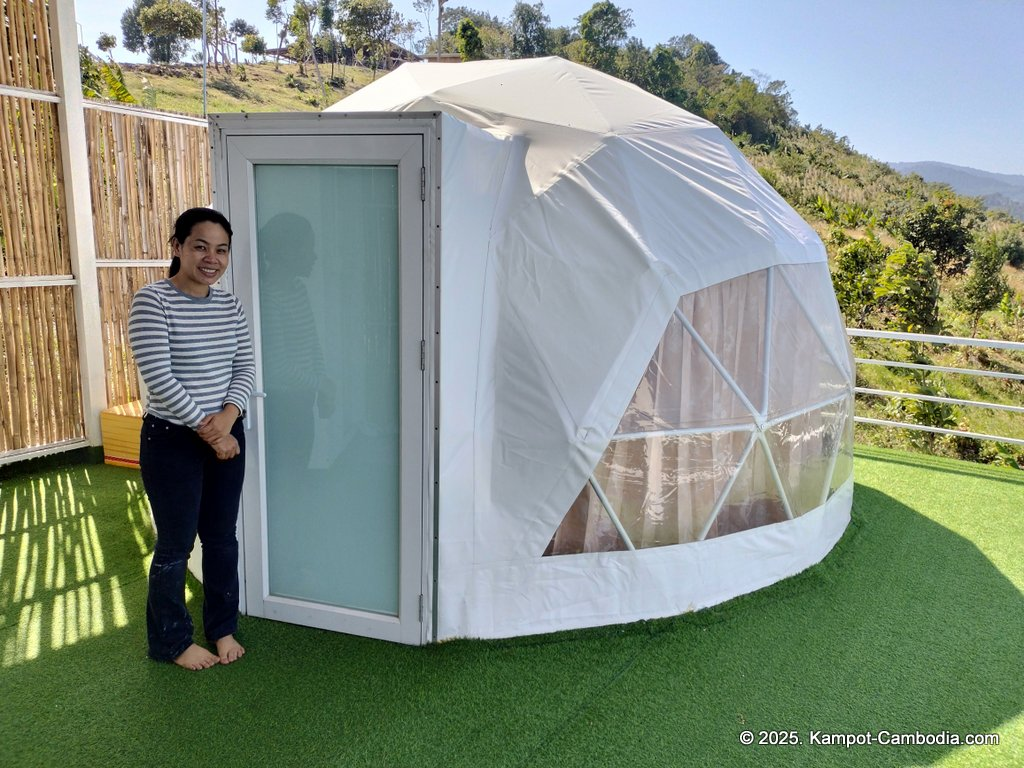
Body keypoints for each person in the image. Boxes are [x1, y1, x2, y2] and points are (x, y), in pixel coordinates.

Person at [128, 207, 256, 670]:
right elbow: (159, 379)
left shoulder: (231, 304)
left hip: (227, 432)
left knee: (222, 538)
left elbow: (245, 368)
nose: (211, 258)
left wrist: (228, 418)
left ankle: (222, 627)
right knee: (176, 544)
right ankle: (172, 642)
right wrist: (211, 432)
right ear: (177, 246)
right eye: (200, 246)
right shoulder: (152, 301)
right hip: (171, 440)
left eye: (221, 249)